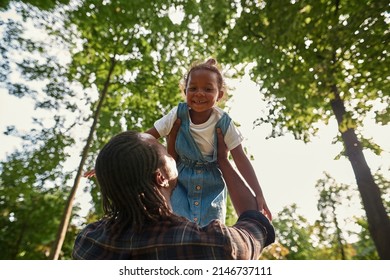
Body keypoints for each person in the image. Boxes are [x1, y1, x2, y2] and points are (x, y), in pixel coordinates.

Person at [73, 122, 275, 260]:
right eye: (164, 150)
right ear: (160, 177)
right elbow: (254, 225)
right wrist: (223, 161)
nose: (172, 153)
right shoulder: (211, 244)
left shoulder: (89, 241)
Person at [145, 58, 272, 226]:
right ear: (185, 92)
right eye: (193, 88)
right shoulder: (177, 114)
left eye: (208, 89)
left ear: (219, 95)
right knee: (175, 224)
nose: (199, 93)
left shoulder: (224, 122)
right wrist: (111, 155)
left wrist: (259, 193)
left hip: (211, 184)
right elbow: (146, 138)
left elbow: (240, 159)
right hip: (179, 179)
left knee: (210, 229)